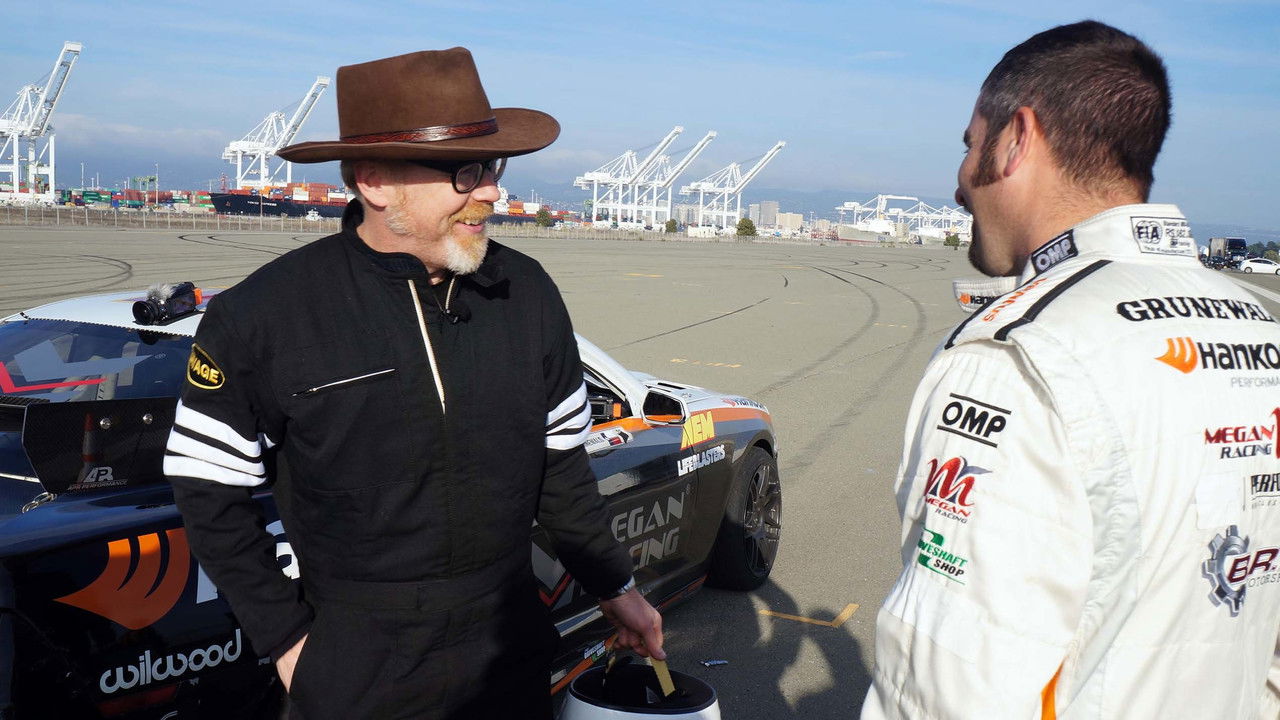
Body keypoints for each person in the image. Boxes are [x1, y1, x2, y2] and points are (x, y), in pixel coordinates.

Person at [165, 47, 663, 720]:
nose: (491, 192)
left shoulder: (527, 294)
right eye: (466, 173)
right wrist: (286, 641)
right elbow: (207, 488)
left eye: (493, 168)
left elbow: (562, 470)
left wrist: (616, 588)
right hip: (355, 668)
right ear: (375, 182)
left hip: (509, 652)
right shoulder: (264, 315)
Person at [862, 21, 1280, 718]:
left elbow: (950, 688)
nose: (961, 182)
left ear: (1017, 138)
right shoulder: (1263, 327)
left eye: (970, 145)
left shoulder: (1014, 359)